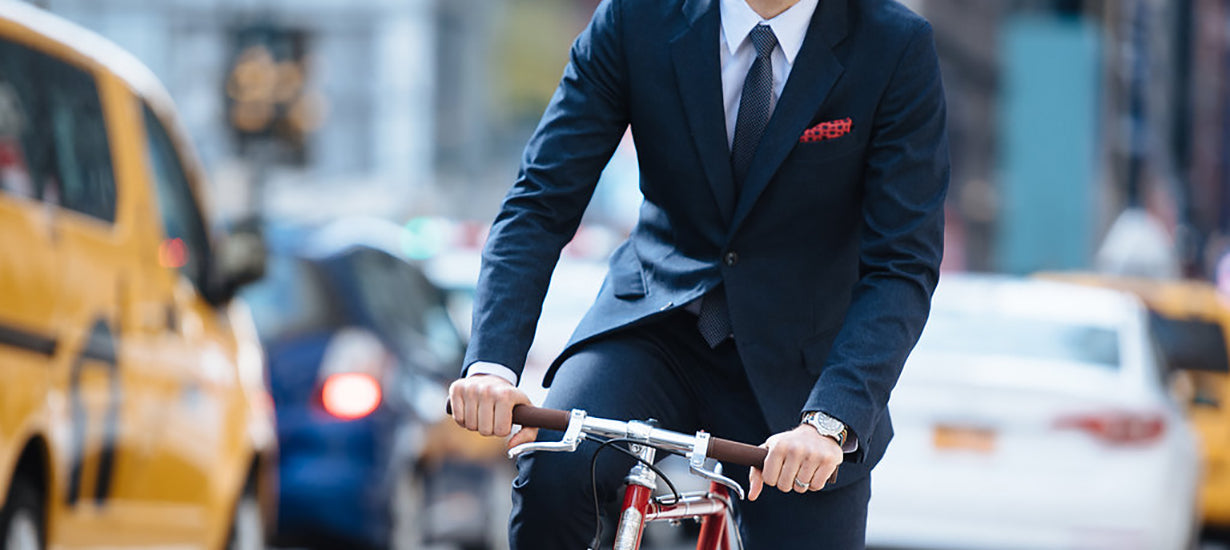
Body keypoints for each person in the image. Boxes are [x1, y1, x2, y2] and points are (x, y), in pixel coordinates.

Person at [449, 0, 949, 547]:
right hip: (654, 326)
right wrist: (491, 366)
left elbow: (901, 264)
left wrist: (830, 421)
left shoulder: (893, 45)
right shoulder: (635, 18)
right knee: (558, 470)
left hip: (806, 367)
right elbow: (540, 203)